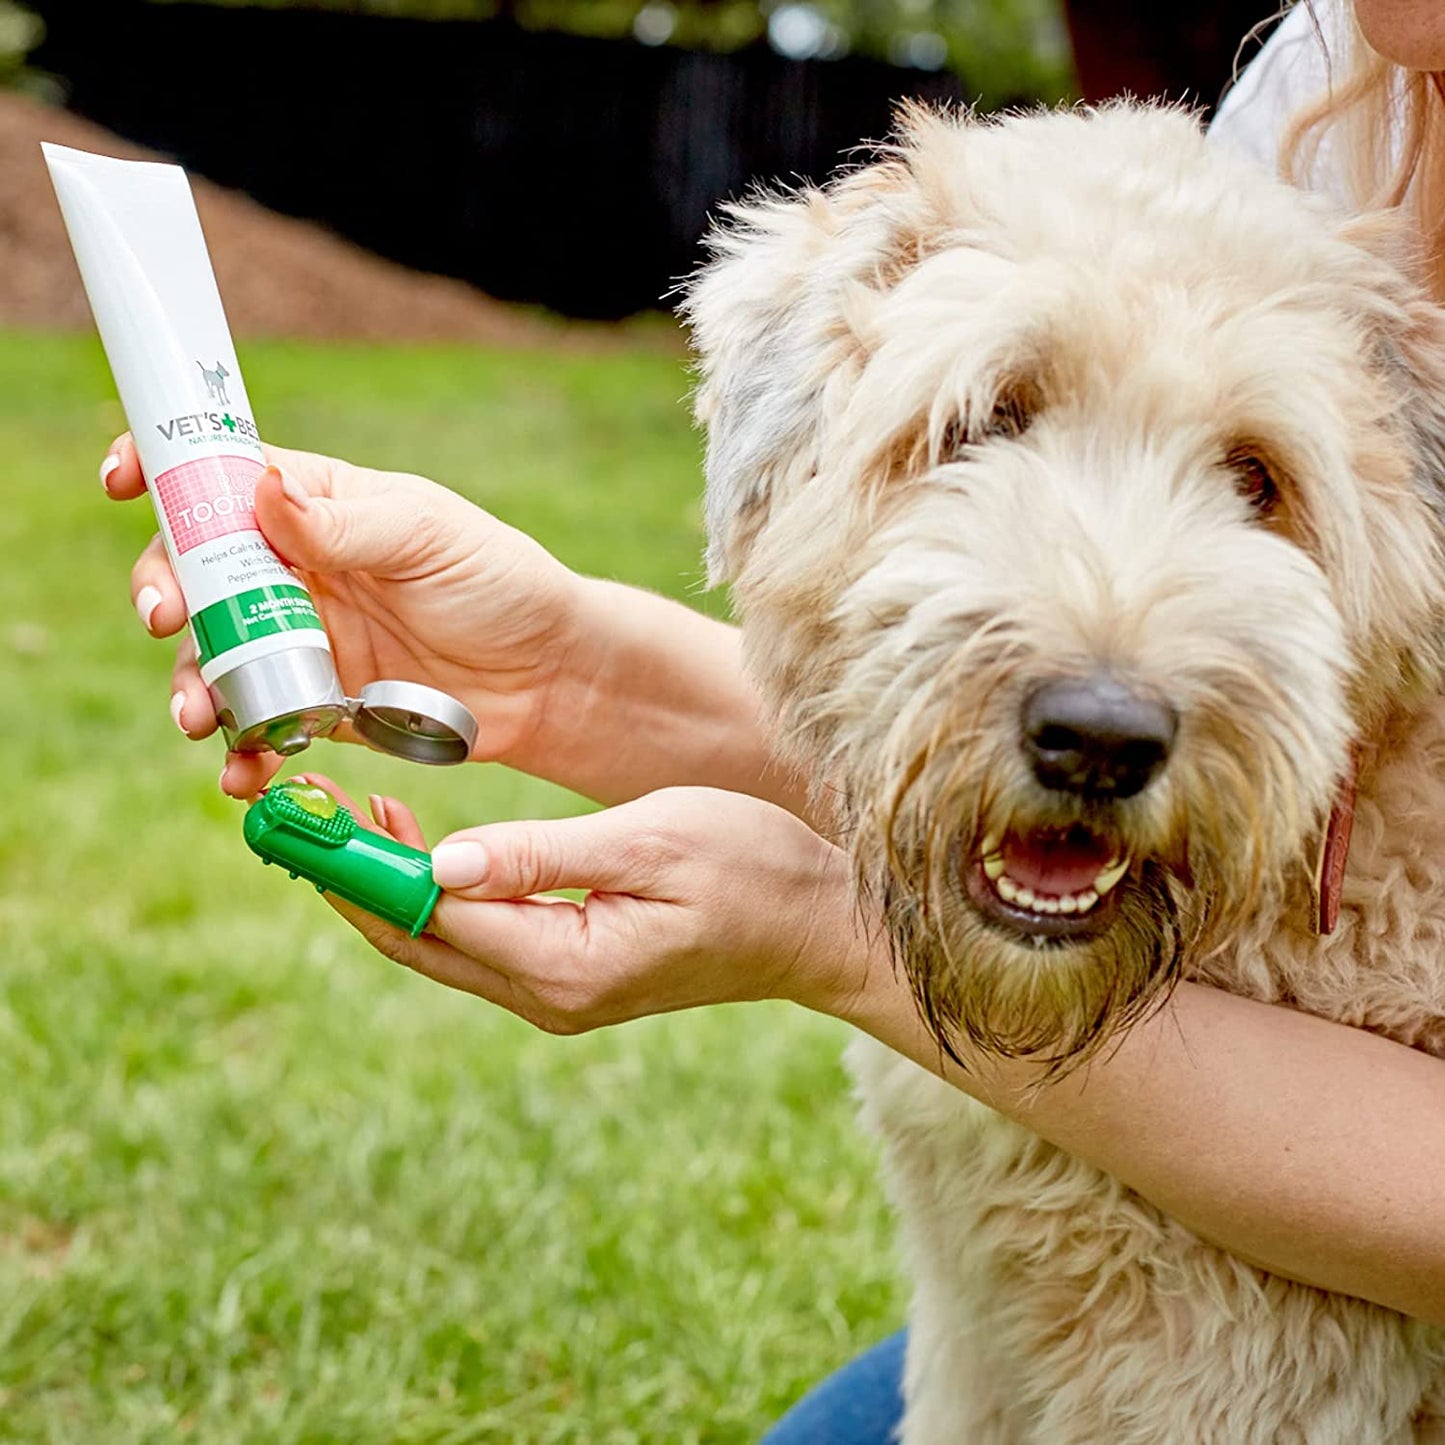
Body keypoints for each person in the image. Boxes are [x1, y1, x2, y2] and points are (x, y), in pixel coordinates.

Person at [100, 2, 1445, 1435]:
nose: (1110, 673)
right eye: (987, 423)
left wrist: (831, 935)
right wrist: (565, 667)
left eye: (1245, 480)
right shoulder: (1333, 91)